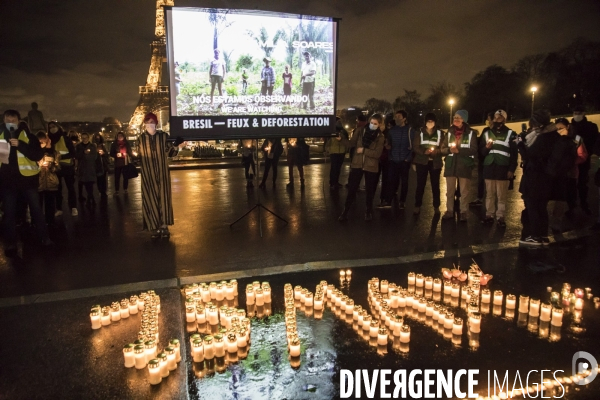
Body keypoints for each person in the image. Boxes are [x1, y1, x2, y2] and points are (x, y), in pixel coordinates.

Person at [0, 110, 52, 256]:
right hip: (8, 183)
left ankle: (45, 238)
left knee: (36, 210)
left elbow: (37, 155)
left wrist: (20, 145)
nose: (10, 121)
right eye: (7, 118)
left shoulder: (28, 136)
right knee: (9, 214)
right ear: (4, 120)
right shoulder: (0, 136)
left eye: (13, 118)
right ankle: (10, 243)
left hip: (28, 181)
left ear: (18, 120)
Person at [517, 110, 573, 246]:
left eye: (534, 125)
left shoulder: (543, 138)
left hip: (536, 178)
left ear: (539, 124)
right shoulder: (554, 136)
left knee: (533, 206)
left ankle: (535, 236)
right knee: (541, 207)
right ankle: (542, 235)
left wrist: (520, 144)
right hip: (546, 179)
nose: (533, 128)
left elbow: (530, 155)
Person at [338, 114, 386, 221]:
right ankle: (345, 211)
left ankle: (368, 211)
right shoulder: (360, 131)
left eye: (375, 124)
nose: (372, 125)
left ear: (379, 125)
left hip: (371, 166)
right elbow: (351, 144)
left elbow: (377, 153)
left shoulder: (380, 136)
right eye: (371, 122)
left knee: (370, 190)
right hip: (357, 164)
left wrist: (364, 150)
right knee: (352, 188)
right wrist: (341, 139)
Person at [479, 110, 518, 227]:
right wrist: (486, 148)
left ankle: (500, 216)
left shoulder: (512, 134)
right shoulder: (486, 133)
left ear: (504, 119)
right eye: (495, 117)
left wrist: (511, 169)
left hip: (503, 168)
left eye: (500, 117)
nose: (497, 119)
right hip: (489, 167)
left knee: (501, 195)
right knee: (490, 194)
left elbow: (514, 154)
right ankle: (489, 215)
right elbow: (481, 152)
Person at [139, 112, 174, 239]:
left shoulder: (164, 136)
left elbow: (171, 153)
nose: (149, 125)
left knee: (164, 198)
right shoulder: (141, 139)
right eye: (147, 123)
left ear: (156, 123)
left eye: (152, 122)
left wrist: (176, 145)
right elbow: (138, 156)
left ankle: (164, 225)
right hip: (148, 174)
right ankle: (153, 226)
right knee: (150, 199)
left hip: (162, 172)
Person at [441, 110, 478, 222]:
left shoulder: (471, 133)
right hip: (451, 165)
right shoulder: (449, 132)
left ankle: (463, 212)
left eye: (459, 117)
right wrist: (448, 150)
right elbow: (443, 148)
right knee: (450, 191)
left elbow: (473, 149)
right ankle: (449, 211)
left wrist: (459, 151)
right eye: (455, 117)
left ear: (464, 120)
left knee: (464, 191)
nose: (456, 119)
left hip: (464, 165)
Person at [552, 118, 587, 230]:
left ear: (567, 127)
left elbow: (583, 156)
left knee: (571, 198)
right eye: (556, 129)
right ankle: (557, 221)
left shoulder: (576, 139)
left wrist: (570, 162)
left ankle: (575, 221)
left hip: (571, 173)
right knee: (560, 197)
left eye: (561, 128)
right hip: (558, 174)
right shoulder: (555, 139)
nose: (559, 131)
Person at [379, 110, 415, 209]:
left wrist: (408, 158)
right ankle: (388, 201)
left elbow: (413, 146)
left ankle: (402, 201)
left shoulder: (410, 130)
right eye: (396, 116)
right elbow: (389, 144)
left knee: (404, 182)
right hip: (393, 160)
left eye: (399, 116)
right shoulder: (392, 131)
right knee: (391, 181)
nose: (396, 118)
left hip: (404, 160)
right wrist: (388, 149)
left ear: (404, 118)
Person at [412, 113, 444, 215]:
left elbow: (443, 148)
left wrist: (436, 152)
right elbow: (415, 146)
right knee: (420, 185)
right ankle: (417, 205)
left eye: (432, 121)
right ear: (425, 122)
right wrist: (424, 151)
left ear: (435, 122)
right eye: (428, 121)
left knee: (435, 185)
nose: (430, 123)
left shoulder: (440, 133)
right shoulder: (419, 133)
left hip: (435, 162)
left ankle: (436, 206)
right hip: (422, 161)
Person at [570, 105, 599, 214]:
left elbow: (594, 142)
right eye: (575, 113)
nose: (577, 115)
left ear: (583, 114)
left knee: (582, 182)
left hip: (584, 158)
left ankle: (583, 203)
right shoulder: (569, 127)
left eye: (579, 113)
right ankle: (572, 205)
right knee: (571, 183)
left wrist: (586, 152)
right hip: (570, 160)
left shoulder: (591, 127)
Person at [48, 122, 77, 216]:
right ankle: (59, 208)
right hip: (56, 168)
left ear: (58, 127)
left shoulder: (65, 138)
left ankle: (73, 207)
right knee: (57, 188)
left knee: (70, 188)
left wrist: (60, 157)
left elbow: (72, 152)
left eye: (53, 127)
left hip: (67, 166)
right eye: (50, 127)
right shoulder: (49, 139)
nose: (52, 128)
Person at [470, 111, 495, 207]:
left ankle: (490, 201)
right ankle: (480, 198)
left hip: (491, 161)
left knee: (490, 182)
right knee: (480, 180)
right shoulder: (486, 130)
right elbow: (480, 142)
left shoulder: (496, 132)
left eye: (489, 119)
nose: (487, 121)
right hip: (482, 159)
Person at [37, 131, 60, 225]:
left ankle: (50, 221)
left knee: (50, 204)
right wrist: (39, 167)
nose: (42, 144)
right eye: (40, 142)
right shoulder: (34, 153)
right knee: (38, 204)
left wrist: (51, 167)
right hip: (38, 182)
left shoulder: (54, 153)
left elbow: (58, 167)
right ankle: (37, 222)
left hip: (51, 182)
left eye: (44, 142)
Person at [75, 132, 98, 206]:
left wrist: (87, 156)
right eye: (83, 138)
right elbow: (77, 156)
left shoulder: (92, 146)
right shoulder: (79, 146)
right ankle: (91, 198)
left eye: (86, 138)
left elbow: (95, 156)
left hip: (90, 167)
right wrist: (83, 153)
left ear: (88, 138)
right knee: (85, 183)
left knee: (90, 184)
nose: (84, 139)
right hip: (82, 168)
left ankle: (90, 198)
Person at [325, 118, 348, 190]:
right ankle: (332, 182)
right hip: (334, 152)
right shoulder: (331, 131)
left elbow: (346, 141)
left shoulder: (344, 131)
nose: (339, 122)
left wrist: (346, 149)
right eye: (338, 121)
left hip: (341, 152)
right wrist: (327, 149)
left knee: (338, 168)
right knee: (334, 168)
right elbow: (327, 141)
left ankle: (336, 182)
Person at [93, 133, 109, 198]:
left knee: (103, 179)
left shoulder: (103, 145)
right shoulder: (93, 146)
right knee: (99, 179)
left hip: (103, 164)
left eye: (98, 137)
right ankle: (100, 190)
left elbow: (107, 154)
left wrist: (103, 153)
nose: (98, 138)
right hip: (97, 164)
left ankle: (103, 191)